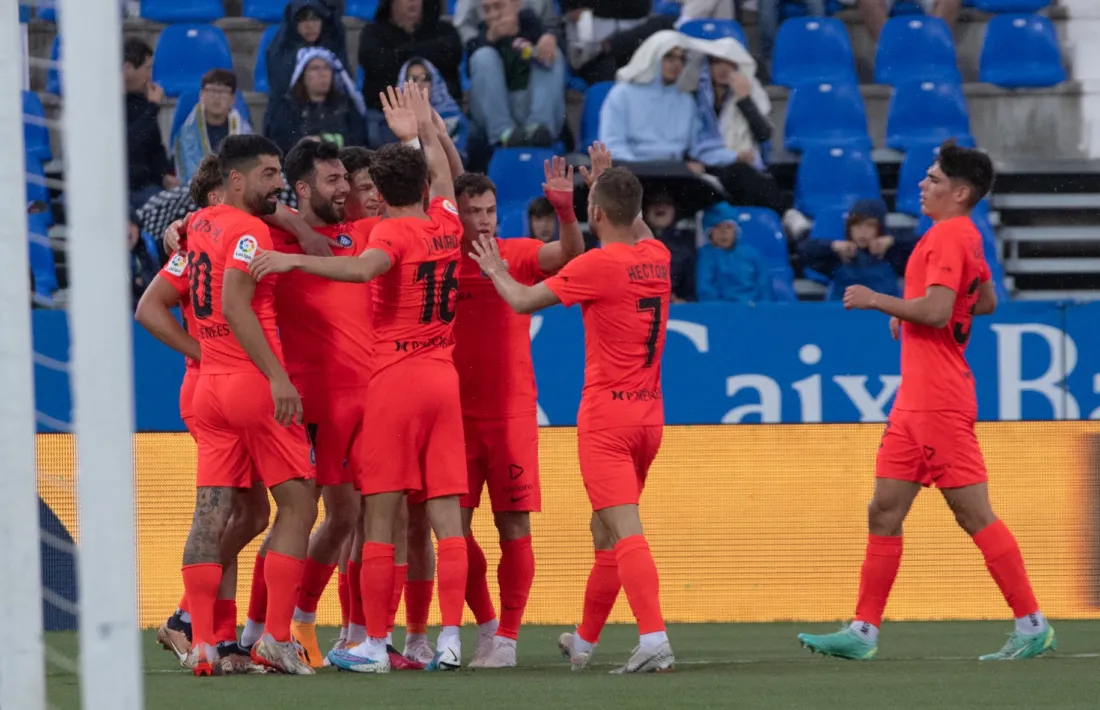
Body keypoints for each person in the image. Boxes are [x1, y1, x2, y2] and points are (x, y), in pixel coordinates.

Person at [797, 141, 1056, 661]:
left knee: (973, 513)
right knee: (884, 511)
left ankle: (1032, 624)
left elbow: (939, 312)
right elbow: (982, 299)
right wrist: (911, 312)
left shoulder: (946, 238)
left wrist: (880, 302)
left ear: (960, 192)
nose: (922, 183)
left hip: (938, 401)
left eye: (934, 179)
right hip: (915, 402)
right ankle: (863, 631)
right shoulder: (965, 236)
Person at [249, 82, 469, 673]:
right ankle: (450, 639)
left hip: (394, 378)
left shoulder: (390, 234)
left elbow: (363, 269)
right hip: (444, 376)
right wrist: (425, 128)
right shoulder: (447, 222)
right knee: (447, 515)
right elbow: (448, 177)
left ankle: (370, 642)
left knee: (379, 514)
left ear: (383, 193)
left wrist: (296, 257)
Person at [468, 153, 676, 674]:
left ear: (596, 214)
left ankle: (654, 639)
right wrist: (604, 182)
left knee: (624, 528)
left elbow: (520, 300)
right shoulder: (659, 255)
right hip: (650, 417)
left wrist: (494, 269)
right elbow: (635, 223)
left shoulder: (596, 266)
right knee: (604, 531)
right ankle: (583, 641)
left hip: (607, 419)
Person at [181, 134, 317, 676]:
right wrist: (278, 377)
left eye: (278, 171)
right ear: (235, 179)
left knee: (212, 515)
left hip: (208, 383)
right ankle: (276, 639)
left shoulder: (200, 222)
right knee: (300, 505)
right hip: (250, 381)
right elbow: (237, 302)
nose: (277, 182)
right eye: (266, 173)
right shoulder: (248, 230)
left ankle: (205, 644)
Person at [451, 159, 584, 668]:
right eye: (472, 212)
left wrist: (565, 209)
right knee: (453, 533)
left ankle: (506, 638)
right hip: (452, 420)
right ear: (454, 214)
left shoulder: (517, 256)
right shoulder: (439, 260)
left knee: (514, 528)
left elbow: (572, 253)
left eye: (489, 211)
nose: (484, 221)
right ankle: (486, 625)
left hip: (509, 418)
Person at [139, 157, 268, 675]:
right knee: (237, 513)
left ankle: (214, 633)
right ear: (218, 194)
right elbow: (149, 308)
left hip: (218, 380)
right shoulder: (201, 242)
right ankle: (190, 618)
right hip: (217, 383)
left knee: (247, 514)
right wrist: (199, 350)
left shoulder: (198, 239)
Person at [359, 0, 463, 146]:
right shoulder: (373, 33)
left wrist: (403, 52)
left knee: (474, 136)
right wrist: (424, 52)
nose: (412, 2)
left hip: (441, 114)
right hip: (387, 117)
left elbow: (453, 53)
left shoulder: (444, 30)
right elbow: (378, 64)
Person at [467, 0, 566, 148]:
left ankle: (539, 128)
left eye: (499, 6)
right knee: (483, 56)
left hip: (533, 106)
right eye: (487, 10)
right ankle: (504, 133)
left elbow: (564, 52)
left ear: (516, 4)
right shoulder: (481, 37)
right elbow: (471, 70)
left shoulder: (532, 24)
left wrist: (550, 37)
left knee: (552, 51)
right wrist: (489, 39)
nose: (494, 15)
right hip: (495, 115)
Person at [798, 198, 915, 301]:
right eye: (857, 225)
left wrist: (892, 241)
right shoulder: (838, 256)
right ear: (849, 228)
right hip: (844, 317)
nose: (862, 231)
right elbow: (804, 250)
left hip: (882, 318)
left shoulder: (892, 254)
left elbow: (922, 245)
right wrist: (832, 245)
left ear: (879, 229)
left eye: (869, 226)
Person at [265, 47, 368, 155]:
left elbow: (359, 142)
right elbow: (279, 144)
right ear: (302, 74)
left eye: (327, 68)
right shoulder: (286, 108)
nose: (322, 74)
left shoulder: (346, 106)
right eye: (315, 68)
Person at [123, 37, 176, 211]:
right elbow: (130, 144)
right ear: (127, 68)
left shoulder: (142, 101)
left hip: (145, 188)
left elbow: (154, 147)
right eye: (147, 68)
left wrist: (164, 176)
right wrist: (153, 108)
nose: (150, 76)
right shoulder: (106, 104)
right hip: (119, 190)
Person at [174, 69, 252, 184]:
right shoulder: (186, 133)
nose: (216, 97)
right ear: (201, 95)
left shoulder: (245, 133)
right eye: (211, 91)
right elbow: (186, 175)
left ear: (232, 99)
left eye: (223, 92)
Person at [265, 0, 350, 100]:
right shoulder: (282, 50)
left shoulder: (333, 45)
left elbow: (345, 85)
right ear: (294, 23)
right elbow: (280, 88)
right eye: (302, 20)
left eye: (315, 19)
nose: (309, 26)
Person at [695, 201, 771, 303]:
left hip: (754, 308)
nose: (723, 232)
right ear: (709, 232)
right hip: (721, 311)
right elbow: (705, 289)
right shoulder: (705, 256)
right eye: (717, 226)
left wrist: (763, 309)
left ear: (736, 230)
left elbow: (764, 286)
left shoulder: (751, 253)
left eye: (728, 227)